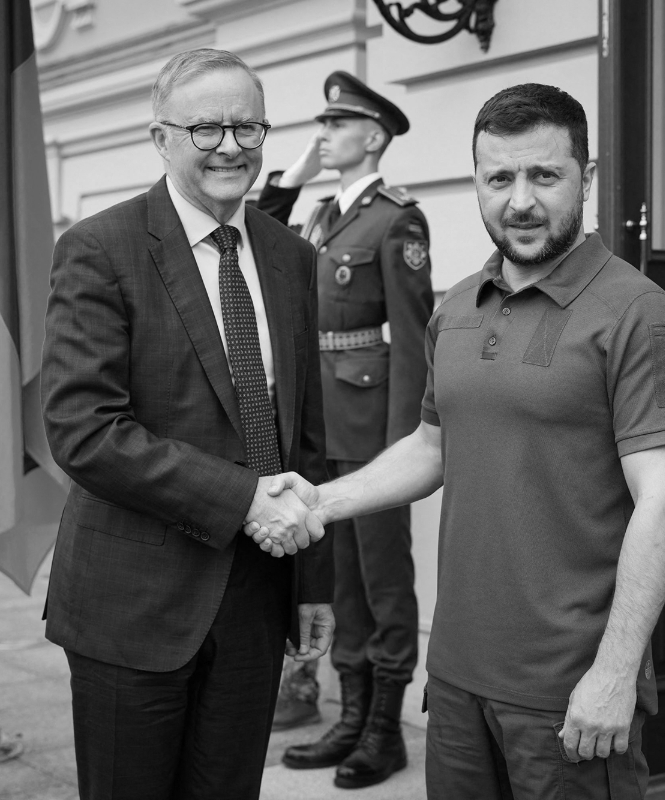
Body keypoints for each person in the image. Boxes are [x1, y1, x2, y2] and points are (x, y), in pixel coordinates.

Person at [249, 82, 665, 799]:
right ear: (478, 184)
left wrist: (615, 674)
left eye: (544, 175)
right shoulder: (456, 307)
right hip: (457, 682)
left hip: (567, 693)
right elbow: (431, 449)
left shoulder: (643, 316)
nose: (520, 200)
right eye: (499, 178)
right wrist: (318, 500)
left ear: (585, 176)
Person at [40, 49, 334, 800]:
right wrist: (243, 500)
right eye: (205, 128)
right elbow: (84, 429)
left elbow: (307, 435)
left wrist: (314, 583)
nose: (230, 146)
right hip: (132, 604)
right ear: (161, 137)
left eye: (247, 125)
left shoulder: (291, 256)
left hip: (256, 601)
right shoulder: (100, 249)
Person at [253, 72, 434, 790]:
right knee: (339, 581)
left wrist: (402, 448)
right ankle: (352, 717)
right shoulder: (324, 213)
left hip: (373, 429)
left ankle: (384, 730)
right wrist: (292, 177)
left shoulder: (397, 220)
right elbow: (263, 229)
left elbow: (416, 344)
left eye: (336, 125)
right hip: (319, 425)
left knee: (383, 581)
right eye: (322, 124)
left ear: (374, 136)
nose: (322, 135)